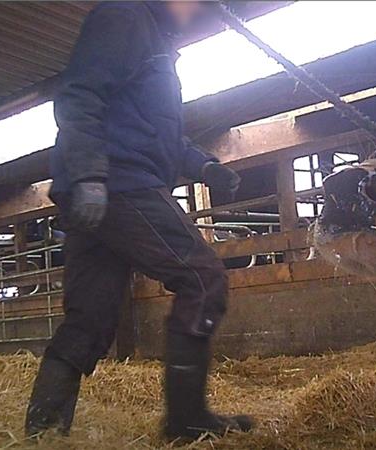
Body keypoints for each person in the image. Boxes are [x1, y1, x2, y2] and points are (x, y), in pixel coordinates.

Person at [24, 1, 253, 441]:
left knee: (88, 318)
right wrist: (92, 173)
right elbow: (79, 93)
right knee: (202, 279)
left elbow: (158, 134)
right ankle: (186, 420)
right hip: (119, 181)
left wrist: (205, 167)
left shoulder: (156, 45)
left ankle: (43, 432)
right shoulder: (124, 17)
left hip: (102, 188)